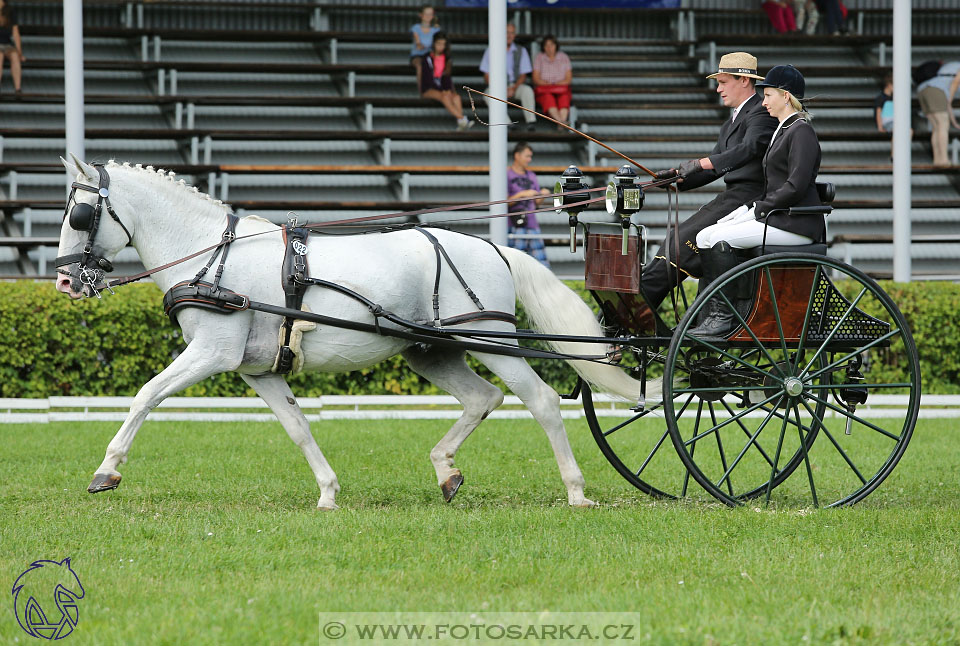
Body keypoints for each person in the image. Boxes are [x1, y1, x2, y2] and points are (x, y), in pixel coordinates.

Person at [690, 65, 823, 338]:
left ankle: (723, 317)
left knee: (717, 240)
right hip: (777, 214)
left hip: (794, 223)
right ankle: (708, 314)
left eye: (768, 95)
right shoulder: (782, 130)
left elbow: (795, 185)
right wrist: (750, 209)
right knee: (705, 236)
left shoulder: (802, 132)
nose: (763, 102)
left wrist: (760, 208)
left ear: (786, 96)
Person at [641, 52, 777, 310]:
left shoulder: (761, 113)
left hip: (751, 198)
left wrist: (700, 163)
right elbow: (717, 165)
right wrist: (677, 180)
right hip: (733, 196)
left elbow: (748, 149)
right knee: (675, 238)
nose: (718, 89)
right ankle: (645, 294)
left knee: (684, 240)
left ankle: (646, 297)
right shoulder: (731, 123)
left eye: (724, 82)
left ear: (744, 81)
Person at [480, 22, 536, 131]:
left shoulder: (521, 50)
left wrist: (513, 88)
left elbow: (523, 75)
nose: (509, 35)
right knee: (488, 94)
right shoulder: (492, 50)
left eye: (512, 33)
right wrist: (500, 89)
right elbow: (487, 75)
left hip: (515, 86)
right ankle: (508, 123)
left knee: (527, 90)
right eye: (506, 33)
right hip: (498, 87)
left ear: (515, 35)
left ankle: (531, 122)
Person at [506, 142, 551, 267]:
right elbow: (502, 201)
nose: (529, 159)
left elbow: (537, 202)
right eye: (527, 156)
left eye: (530, 156)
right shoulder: (507, 174)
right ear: (517, 155)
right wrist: (522, 194)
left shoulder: (531, 175)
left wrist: (542, 194)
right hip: (515, 224)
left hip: (532, 224)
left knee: (541, 264)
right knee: (516, 265)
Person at [419, 32, 473, 131]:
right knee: (444, 96)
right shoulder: (427, 58)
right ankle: (462, 119)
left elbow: (446, 77)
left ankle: (461, 123)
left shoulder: (447, 59)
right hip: (429, 88)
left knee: (456, 97)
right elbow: (427, 79)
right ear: (434, 44)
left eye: (443, 44)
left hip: (442, 88)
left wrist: (447, 89)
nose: (441, 47)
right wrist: (442, 90)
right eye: (439, 44)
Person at [916, 60, 960, 167]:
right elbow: (955, 82)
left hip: (923, 89)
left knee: (937, 127)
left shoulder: (950, 67)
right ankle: (944, 159)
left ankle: (937, 160)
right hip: (936, 91)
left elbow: (946, 104)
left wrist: (954, 123)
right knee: (943, 126)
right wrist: (949, 98)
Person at [532, 35, 572, 129]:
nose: (549, 48)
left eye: (552, 45)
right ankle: (562, 122)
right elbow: (536, 78)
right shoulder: (539, 58)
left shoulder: (564, 57)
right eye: (546, 45)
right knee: (548, 98)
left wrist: (554, 84)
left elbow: (568, 79)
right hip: (545, 89)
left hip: (560, 88)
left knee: (564, 97)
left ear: (556, 46)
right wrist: (550, 84)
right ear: (543, 47)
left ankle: (561, 122)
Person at [409, 4, 440, 91]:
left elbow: (437, 45)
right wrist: (429, 46)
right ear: (421, 15)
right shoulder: (416, 28)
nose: (428, 16)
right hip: (418, 56)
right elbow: (419, 45)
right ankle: (422, 91)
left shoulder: (436, 30)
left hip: (431, 55)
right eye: (426, 14)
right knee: (420, 66)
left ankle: (437, 89)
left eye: (430, 14)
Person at [0, 0, 24, 95]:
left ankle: (18, 89)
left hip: (7, 43)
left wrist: (19, 53)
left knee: (15, 57)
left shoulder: (10, 10)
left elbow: (15, 32)